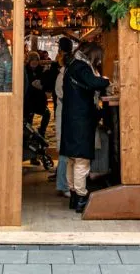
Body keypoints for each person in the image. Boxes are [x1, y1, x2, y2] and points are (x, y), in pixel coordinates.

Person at [59, 40, 109, 214]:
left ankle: (74, 195)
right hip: (81, 119)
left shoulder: (72, 65)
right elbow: (94, 83)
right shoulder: (82, 66)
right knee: (81, 159)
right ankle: (81, 197)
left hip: (71, 117)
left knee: (72, 159)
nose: (99, 62)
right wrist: (105, 81)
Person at [51, 36, 75, 196]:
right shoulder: (63, 75)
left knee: (65, 147)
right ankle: (64, 184)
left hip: (63, 110)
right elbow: (62, 94)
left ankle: (64, 183)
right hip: (65, 111)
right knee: (66, 148)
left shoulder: (61, 73)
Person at [24, 51, 50, 136]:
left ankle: (42, 131)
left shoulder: (41, 70)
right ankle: (28, 136)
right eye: (32, 60)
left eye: (36, 60)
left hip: (39, 99)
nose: (34, 62)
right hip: (29, 99)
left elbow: (43, 83)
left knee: (47, 114)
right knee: (28, 120)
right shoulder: (25, 70)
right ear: (29, 61)